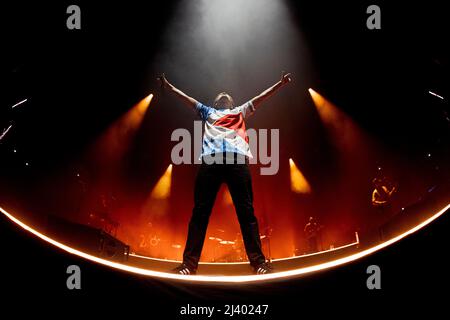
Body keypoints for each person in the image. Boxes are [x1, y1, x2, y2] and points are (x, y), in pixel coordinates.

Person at [158, 72, 292, 274]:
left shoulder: (240, 111)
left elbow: (261, 97)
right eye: (220, 96)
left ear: (231, 103)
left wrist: (280, 84)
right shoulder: (207, 111)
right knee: (199, 214)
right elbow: (186, 98)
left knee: (247, 214)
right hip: (210, 162)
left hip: (237, 162)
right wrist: (169, 87)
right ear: (215, 103)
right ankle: (189, 265)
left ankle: (259, 263)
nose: (223, 96)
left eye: (226, 96)